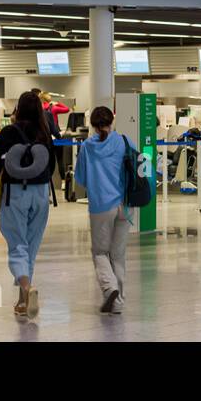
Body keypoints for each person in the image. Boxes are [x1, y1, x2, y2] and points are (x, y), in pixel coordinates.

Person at [0, 91, 56, 318]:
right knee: (31, 247)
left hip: (14, 193)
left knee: (18, 246)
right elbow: (52, 168)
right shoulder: (45, 134)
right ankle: (23, 300)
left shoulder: (8, 133)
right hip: (41, 194)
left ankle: (26, 288)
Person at [74, 105, 129, 314]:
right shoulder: (123, 141)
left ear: (92, 125)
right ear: (111, 121)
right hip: (125, 205)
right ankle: (117, 303)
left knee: (99, 251)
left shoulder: (88, 146)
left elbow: (80, 178)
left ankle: (110, 288)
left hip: (101, 206)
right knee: (118, 254)